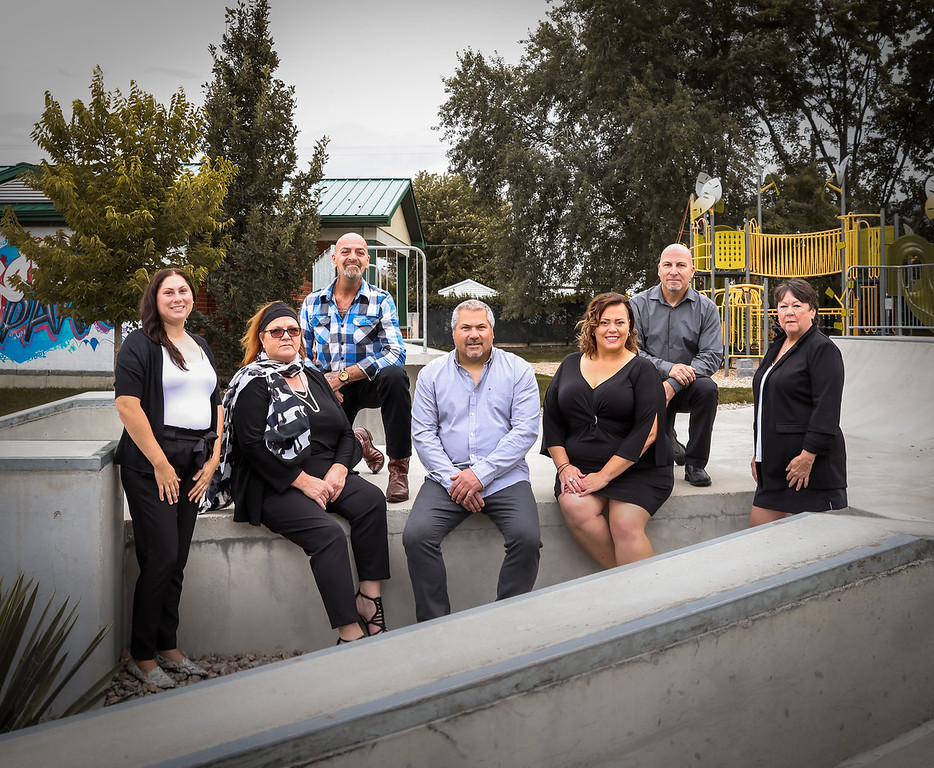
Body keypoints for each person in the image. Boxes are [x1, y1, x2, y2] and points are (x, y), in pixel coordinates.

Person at [216, 301, 390, 643]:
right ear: (262, 339)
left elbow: (343, 430)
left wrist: (340, 470)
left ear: (300, 337)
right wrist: (303, 482)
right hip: (273, 483)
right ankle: (349, 632)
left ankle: (369, 598)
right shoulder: (253, 381)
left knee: (370, 499)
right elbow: (251, 445)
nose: (285, 336)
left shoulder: (311, 374)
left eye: (292, 330)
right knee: (328, 534)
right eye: (276, 331)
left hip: (326, 473)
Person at [114, 268, 220, 689]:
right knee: (158, 557)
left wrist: (212, 460)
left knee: (176, 560)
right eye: (168, 291)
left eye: (184, 290)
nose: (178, 297)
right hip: (151, 464)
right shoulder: (140, 344)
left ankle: (167, 644)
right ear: (154, 300)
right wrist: (160, 464)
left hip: (194, 462)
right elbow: (126, 405)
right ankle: (141, 655)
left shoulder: (201, 344)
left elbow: (216, 403)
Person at [403, 300, 541, 621]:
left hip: (504, 478)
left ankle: (504, 619)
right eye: (466, 327)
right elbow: (423, 434)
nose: (474, 335)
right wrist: (455, 478)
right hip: (447, 480)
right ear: (453, 333)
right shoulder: (431, 375)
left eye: (481, 327)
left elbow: (525, 431)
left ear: (493, 331)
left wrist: (480, 475)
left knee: (527, 538)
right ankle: (436, 625)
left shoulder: (518, 370)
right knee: (417, 536)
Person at [542, 293, 673, 569]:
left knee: (623, 523)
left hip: (638, 470)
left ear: (630, 327)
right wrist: (564, 467)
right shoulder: (568, 364)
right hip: (581, 467)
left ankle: (642, 598)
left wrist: (603, 477)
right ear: (592, 326)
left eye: (619, 322)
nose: (612, 329)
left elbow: (648, 433)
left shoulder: (643, 369)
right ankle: (622, 581)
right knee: (575, 507)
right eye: (604, 322)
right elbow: (552, 421)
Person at [300, 232, 412, 503]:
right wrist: (322, 384)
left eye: (360, 252)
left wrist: (344, 376)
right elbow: (300, 354)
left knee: (396, 377)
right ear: (334, 258)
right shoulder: (312, 302)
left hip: (369, 382)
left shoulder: (381, 300)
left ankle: (398, 469)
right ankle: (359, 441)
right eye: (346, 251)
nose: (353, 257)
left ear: (367, 261)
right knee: (333, 464)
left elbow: (396, 352)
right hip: (328, 389)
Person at [749, 279, 847, 525]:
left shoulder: (822, 349)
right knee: (758, 536)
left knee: (809, 547)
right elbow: (766, 403)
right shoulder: (777, 346)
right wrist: (759, 452)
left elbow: (827, 410)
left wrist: (808, 456)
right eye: (783, 306)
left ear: (812, 310)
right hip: (774, 464)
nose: (789, 312)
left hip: (806, 466)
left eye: (797, 305)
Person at [629, 243, 723, 487]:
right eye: (668, 265)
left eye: (681, 265)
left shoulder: (707, 309)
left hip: (688, 385)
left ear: (692, 271)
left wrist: (674, 382)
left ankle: (695, 463)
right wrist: (667, 369)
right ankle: (666, 439)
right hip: (647, 383)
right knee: (656, 460)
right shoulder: (637, 305)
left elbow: (712, 355)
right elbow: (633, 351)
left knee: (708, 390)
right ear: (658, 270)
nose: (674, 271)